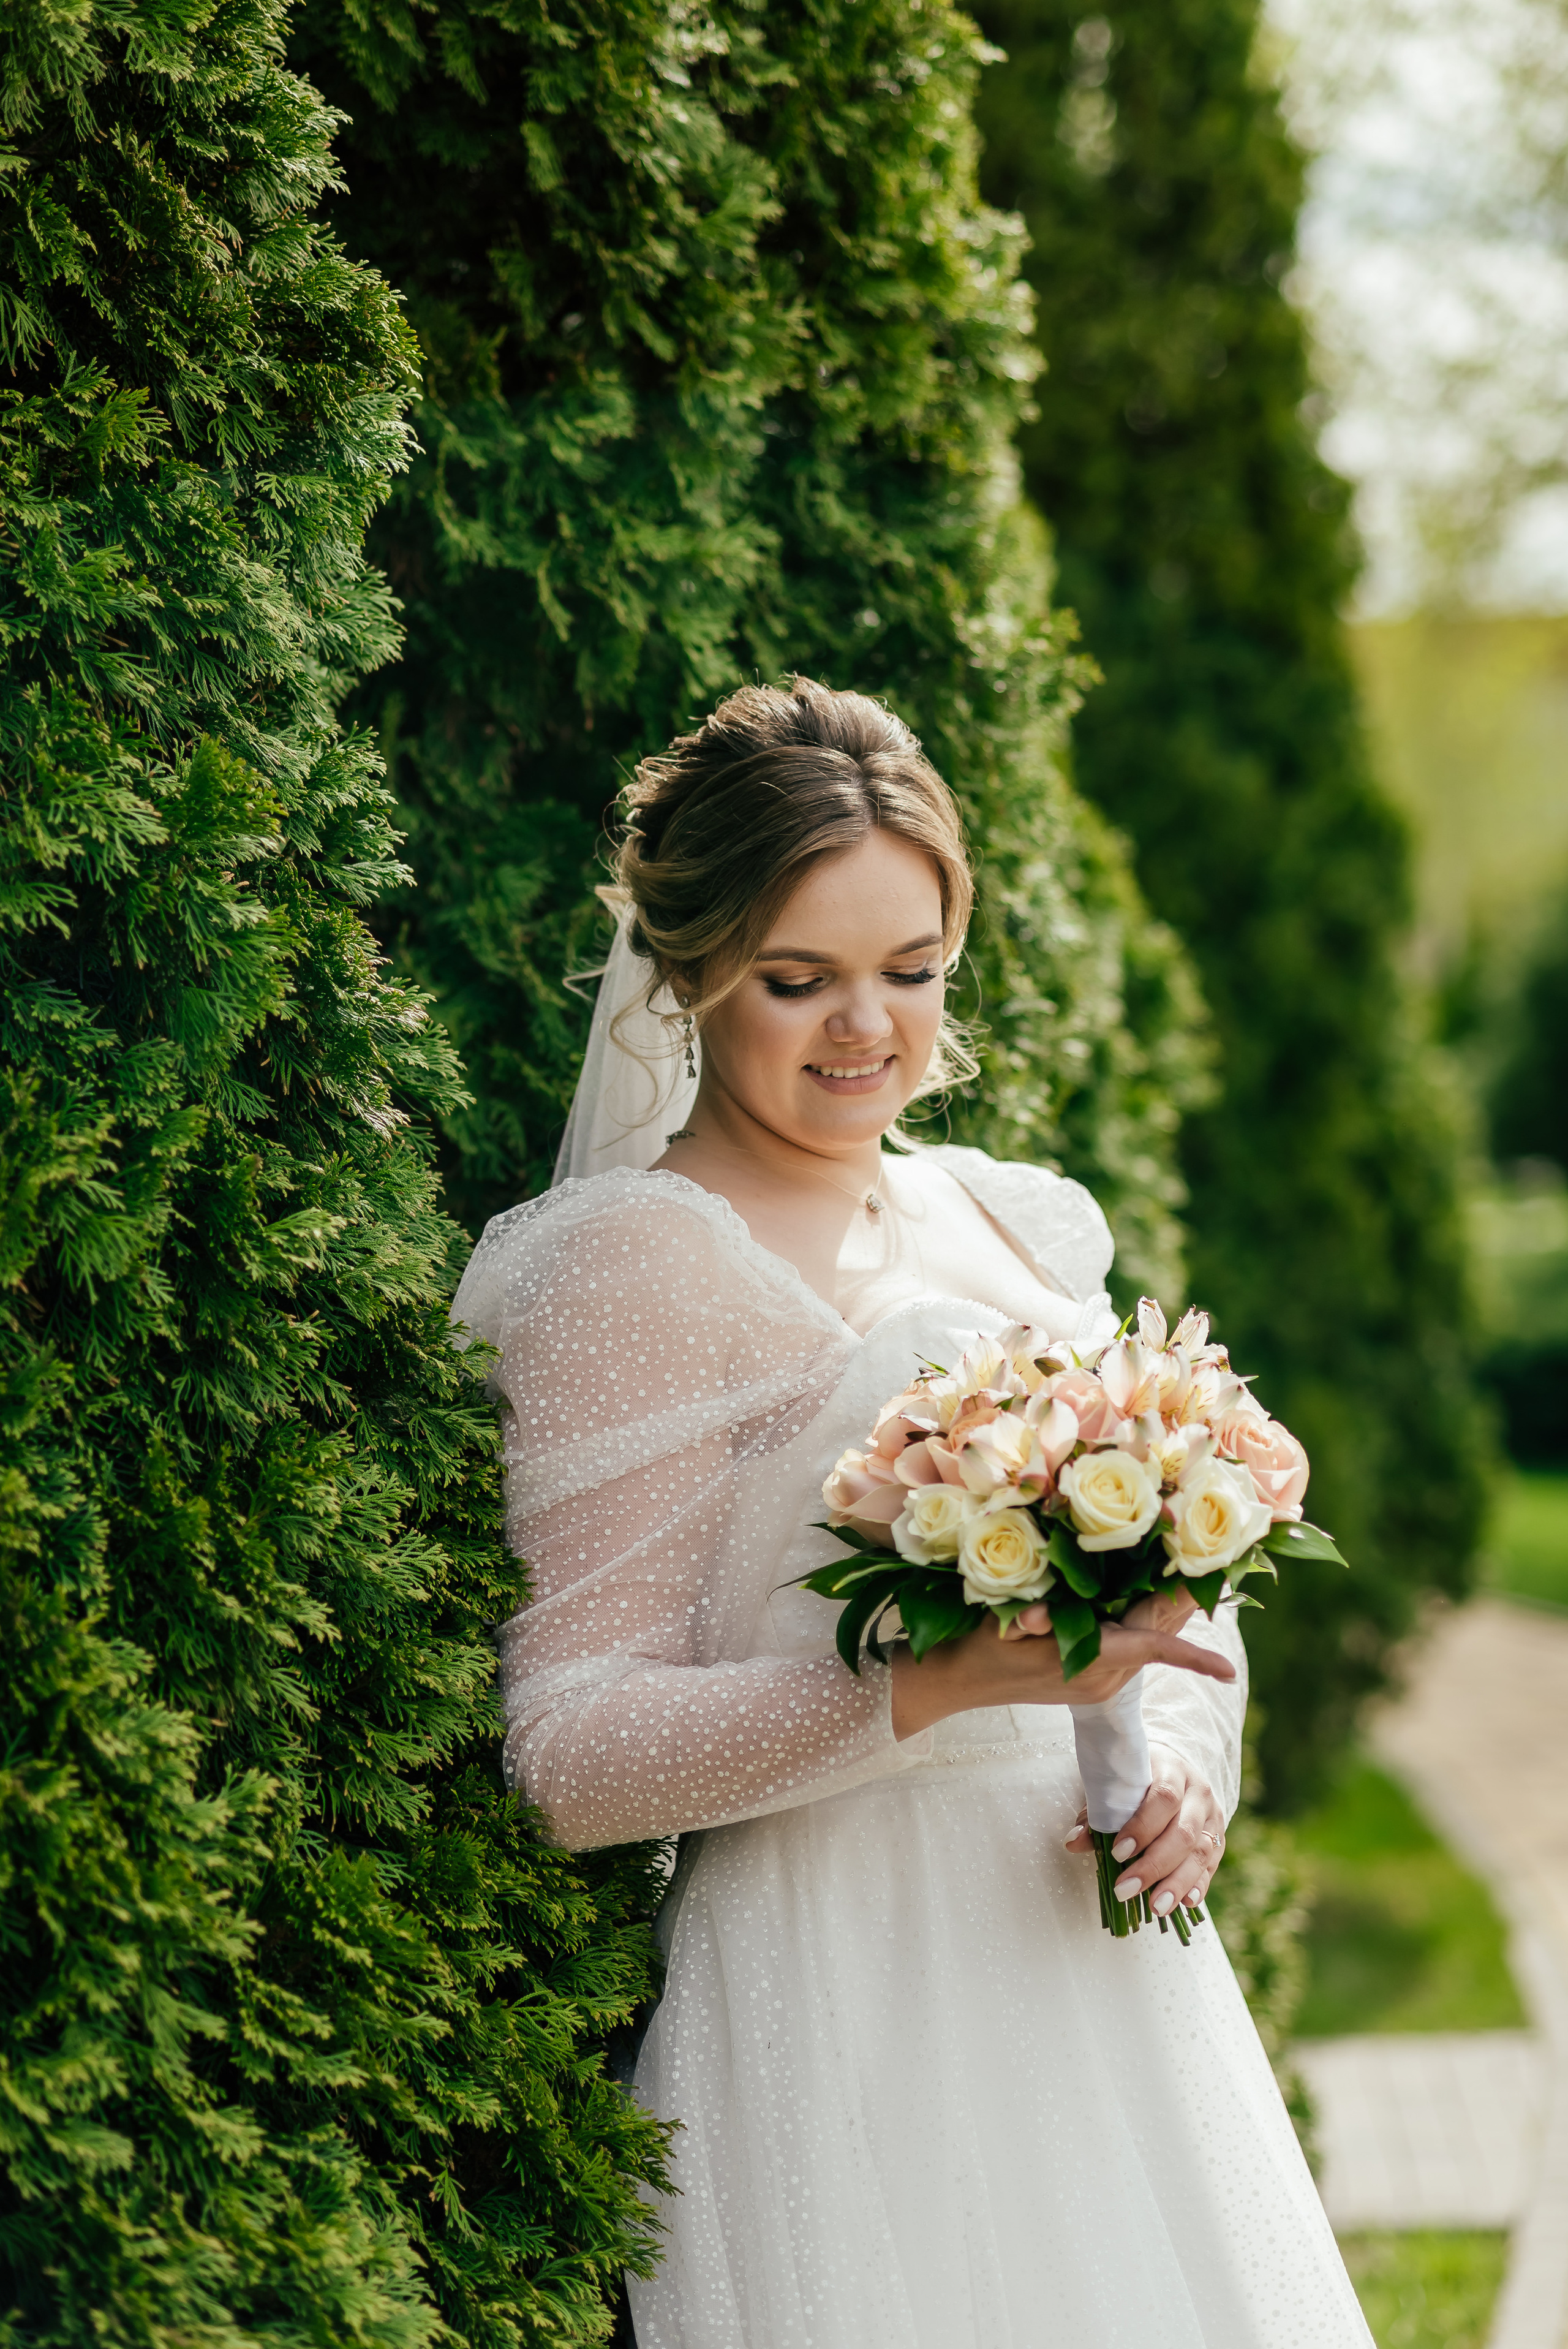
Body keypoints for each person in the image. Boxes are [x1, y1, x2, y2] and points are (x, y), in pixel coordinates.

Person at [452, 678, 1371, 2348]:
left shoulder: (1004, 1218)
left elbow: (1175, 1587)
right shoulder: (641, 1263)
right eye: (797, 979)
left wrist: (1182, 1778)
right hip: (847, 1986)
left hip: (1105, 1983)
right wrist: (927, 1691)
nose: (863, 1029)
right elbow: (569, 1752)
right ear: (686, 966)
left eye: (911, 972)